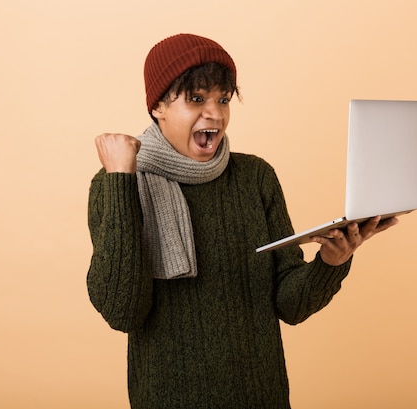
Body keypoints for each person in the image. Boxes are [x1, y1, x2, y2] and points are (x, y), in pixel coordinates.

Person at [87, 33, 398, 409]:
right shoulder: (116, 183)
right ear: (158, 106)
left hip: (261, 396)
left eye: (223, 99)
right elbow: (122, 310)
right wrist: (121, 177)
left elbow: (290, 304)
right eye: (197, 99)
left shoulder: (256, 177)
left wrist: (331, 262)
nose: (215, 114)